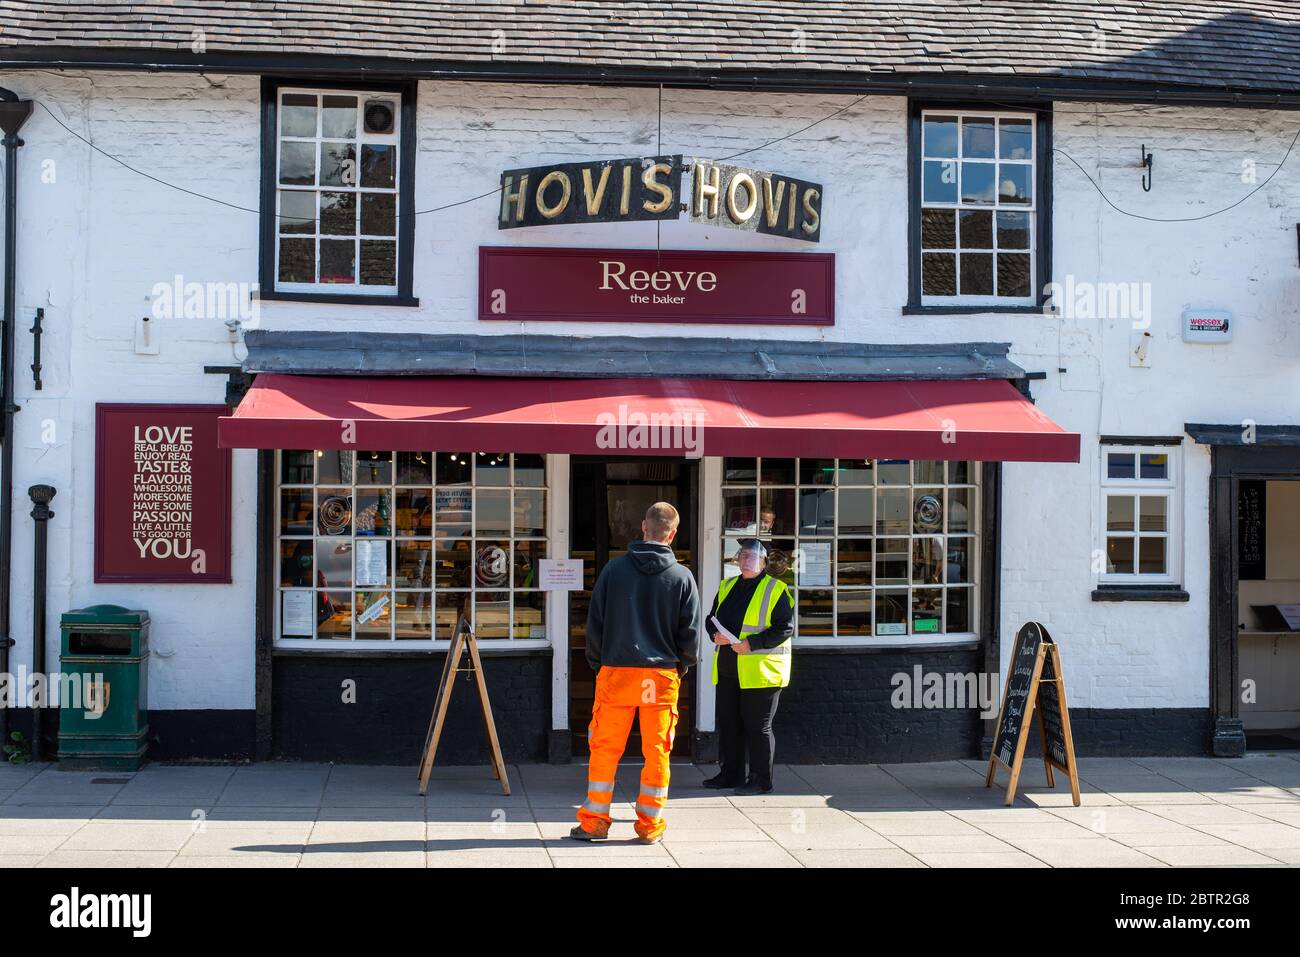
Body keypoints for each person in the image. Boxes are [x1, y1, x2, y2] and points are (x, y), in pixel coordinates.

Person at [571, 502, 700, 845]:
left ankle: (595, 823)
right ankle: (649, 825)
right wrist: (679, 666)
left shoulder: (614, 571)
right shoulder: (682, 578)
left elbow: (594, 625)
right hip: (660, 676)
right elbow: (689, 635)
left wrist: (601, 665)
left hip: (617, 671)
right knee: (657, 750)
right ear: (672, 534)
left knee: (605, 748)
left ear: (643, 526)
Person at [703, 538, 794, 794]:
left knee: (758, 727)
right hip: (729, 667)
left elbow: (785, 627)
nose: (746, 560)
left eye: (752, 557)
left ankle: (760, 780)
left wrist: (751, 644)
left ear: (764, 563)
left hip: (761, 671)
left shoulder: (776, 589)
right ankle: (731, 774)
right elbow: (712, 619)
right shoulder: (727, 585)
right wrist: (714, 635)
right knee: (730, 723)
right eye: (742, 555)